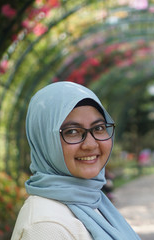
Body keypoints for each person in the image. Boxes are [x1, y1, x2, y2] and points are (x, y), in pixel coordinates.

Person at [11, 82, 140, 240]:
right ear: (44, 140)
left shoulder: (92, 200)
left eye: (99, 128)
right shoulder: (46, 226)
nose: (91, 144)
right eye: (72, 131)